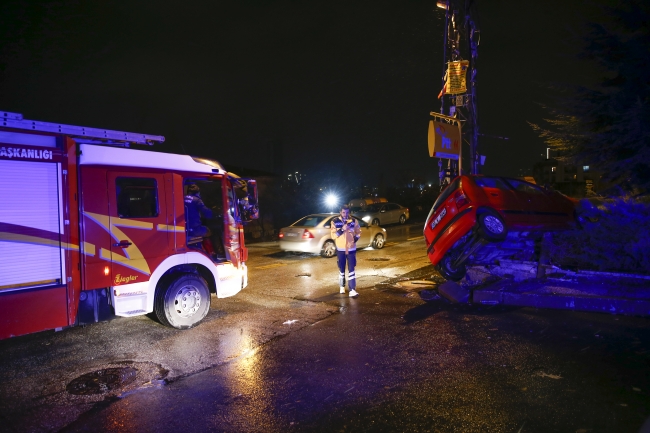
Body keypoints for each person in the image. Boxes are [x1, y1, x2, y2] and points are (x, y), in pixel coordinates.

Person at [330, 204, 361, 297]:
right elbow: (333, 235)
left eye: (347, 212)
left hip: (351, 249)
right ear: (340, 212)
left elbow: (359, 232)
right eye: (343, 212)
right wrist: (342, 230)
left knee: (351, 269)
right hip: (341, 249)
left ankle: (352, 289)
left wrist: (353, 240)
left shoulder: (354, 221)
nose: (345, 214)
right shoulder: (335, 221)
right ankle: (342, 286)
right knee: (341, 269)